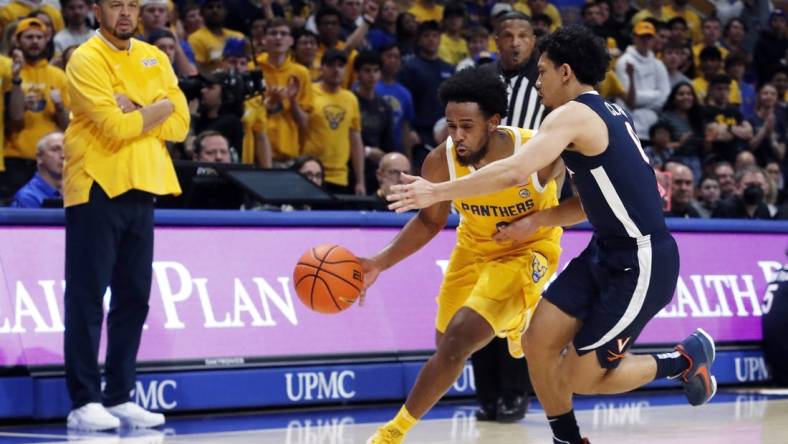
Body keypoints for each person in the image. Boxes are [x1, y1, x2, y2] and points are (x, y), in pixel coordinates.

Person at [386, 25, 718, 444]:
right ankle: (567, 438)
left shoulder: (572, 114)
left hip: (642, 260)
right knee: (537, 341)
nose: (536, 81)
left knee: (581, 376)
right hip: (605, 250)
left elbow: (513, 170)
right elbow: (598, 198)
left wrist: (437, 190)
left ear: (565, 72)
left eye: (541, 72)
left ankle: (682, 360)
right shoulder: (608, 112)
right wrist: (538, 222)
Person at [365, 65, 565, 443]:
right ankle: (514, 321)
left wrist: (537, 222)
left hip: (528, 251)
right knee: (446, 350)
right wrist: (379, 261)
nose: (457, 136)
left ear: (493, 121)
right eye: (451, 125)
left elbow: (576, 202)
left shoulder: (535, 150)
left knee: (459, 339)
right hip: (472, 250)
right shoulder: (441, 161)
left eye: (467, 126)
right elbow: (428, 223)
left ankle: (392, 433)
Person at [63, 0, 189, 430]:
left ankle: (118, 396)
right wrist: (157, 107)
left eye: (132, 5)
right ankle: (84, 400)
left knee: (134, 296)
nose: (125, 12)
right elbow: (114, 128)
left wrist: (136, 107)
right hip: (96, 184)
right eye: (116, 4)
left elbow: (182, 123)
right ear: (98, 9)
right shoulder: (85, 58)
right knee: (87, 296)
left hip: (145, 184)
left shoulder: (153, 55)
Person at [474, 10, 546, 424]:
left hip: (531, 204)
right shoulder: (481, 81)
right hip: (483, 203)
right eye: (507, 36)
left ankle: (516, 392)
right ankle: (488, 394)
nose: (515, 43)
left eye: (523, 35)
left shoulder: (548, 82)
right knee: (480, 296)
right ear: (494, 40)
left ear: (533, 40)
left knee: (520, 300)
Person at [10, 131, 63, 208]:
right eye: (55, 150)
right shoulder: (27, 197)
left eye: (68, 149)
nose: (63, 155)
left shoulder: (79, 192)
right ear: (39, 157)